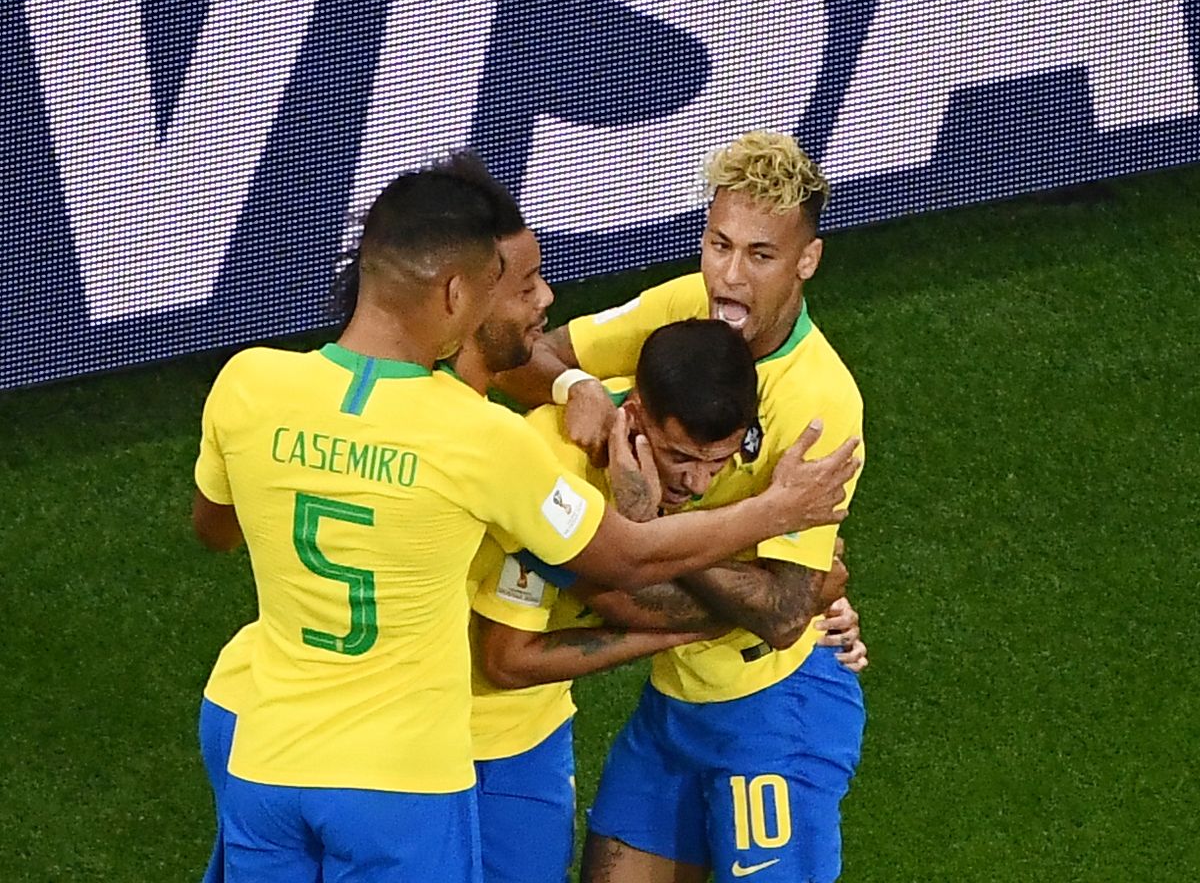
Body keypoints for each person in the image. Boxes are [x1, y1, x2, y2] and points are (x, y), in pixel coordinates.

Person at [191, 152, 860, 883]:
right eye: (515, 286)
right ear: (458, 297)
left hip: (263, 740)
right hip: (399, 770)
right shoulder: (488, 444)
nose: (545, 301)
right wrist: (774, 514)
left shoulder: (249, 383)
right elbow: (621, 563)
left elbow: (217, 529)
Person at [500, 131, 868, 883]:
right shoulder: (688, 308)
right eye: (718, 244)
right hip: (674, 701)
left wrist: (653, 526)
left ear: (806, 261)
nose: (729, 278)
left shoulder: (820, 403)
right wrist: (577, 389)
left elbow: (782, 613)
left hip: (774, 708)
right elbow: (520, 358)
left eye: (760, 255)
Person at [461, 319, 861, 883]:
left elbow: (790, 597)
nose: (697, 483)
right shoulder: (557, 464)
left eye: (716, 463)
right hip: (665, 712)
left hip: (777, 710)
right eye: (679, 457)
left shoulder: (759, 456)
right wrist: (761, 608)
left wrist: (662, 527)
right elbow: (623, 598)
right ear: (634, 417)